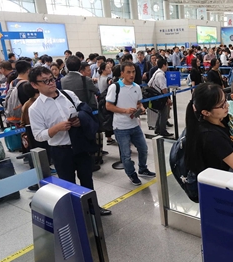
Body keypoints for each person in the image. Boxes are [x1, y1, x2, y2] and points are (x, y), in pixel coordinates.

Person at [28, 66, 111, 215]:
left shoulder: (68, 95)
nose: (51, 83)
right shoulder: (36, 108)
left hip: (79, 145)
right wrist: (56, 128)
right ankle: (76, 213)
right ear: (35, 85)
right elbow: (38, 135)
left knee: (87, 179)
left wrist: (80, 119)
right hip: (61, 150)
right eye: (45, 81)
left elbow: (82, 110)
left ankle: (92, 207)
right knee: (67, 184)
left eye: (52, 79)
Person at [105, 61, 156, 186]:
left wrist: (141, 108)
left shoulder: (137, 87)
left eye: (133, 72)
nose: (131, 74)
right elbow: (108, 106)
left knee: (143, 149)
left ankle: (143, 169)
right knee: (126, 155)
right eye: (128, 72)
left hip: (134, 124)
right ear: (122, 73)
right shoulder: (115, 87)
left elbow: (139, 103)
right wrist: (125, 110)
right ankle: (131, 174)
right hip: (120, 127)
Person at [184, 82, 233, 175]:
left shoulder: (221, 119)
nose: (227, 105)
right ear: (206, 112)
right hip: (218, 183)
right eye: (222, 105)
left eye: (225, 100)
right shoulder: (211, 136)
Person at [148, 59, 173, 137]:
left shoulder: (157, 72)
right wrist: (167, 99)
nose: (167, 66)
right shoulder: (160, 75)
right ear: (163, 65)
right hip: (161, 96)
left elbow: (149, 84)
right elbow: (163, 88)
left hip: (157, 96)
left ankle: (157, 129)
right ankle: (162, 131)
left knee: (160, 112)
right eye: (166, 65)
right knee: (164, 114)